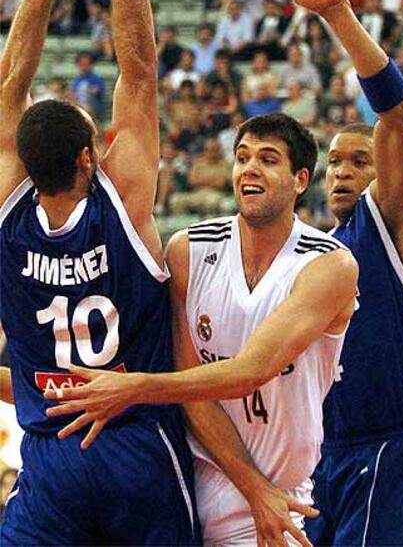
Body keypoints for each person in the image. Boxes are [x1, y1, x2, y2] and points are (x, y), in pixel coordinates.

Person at [44, 108, 358, 546]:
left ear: (301, 180)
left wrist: (134, 387)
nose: (250, 168)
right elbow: (196, 392)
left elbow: (250, 370)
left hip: (273, 498)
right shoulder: (188, 251)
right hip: (184, 485)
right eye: (243, 157)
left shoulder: (329, 265)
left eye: (268, 159)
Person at [0, 0, 201, 544]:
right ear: (91, 157)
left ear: (25, 162)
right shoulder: (124, 205)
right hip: (137, 446)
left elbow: (12, 82)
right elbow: (138, 68)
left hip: (51, 453)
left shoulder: (9, 211)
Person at [265, 0, 403, 545]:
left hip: (389, 453)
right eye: (333, 163)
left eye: (360, 161)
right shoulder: (312, 252)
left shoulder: (391, 224)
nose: (342, 173)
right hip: (321, 461)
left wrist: (336, 13)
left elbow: (400, 117)